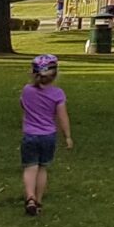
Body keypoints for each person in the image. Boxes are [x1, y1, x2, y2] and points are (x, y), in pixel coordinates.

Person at [18, 54, 71, 216]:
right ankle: (39, 201)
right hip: (48, 135)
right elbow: (62, 116)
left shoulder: (27, 91)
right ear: (55, 75)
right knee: (42, 168)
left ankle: (30, 197)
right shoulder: (58, 94)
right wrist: (67, 136)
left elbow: (23, 106)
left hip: (29, 134)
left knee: (30, 167)